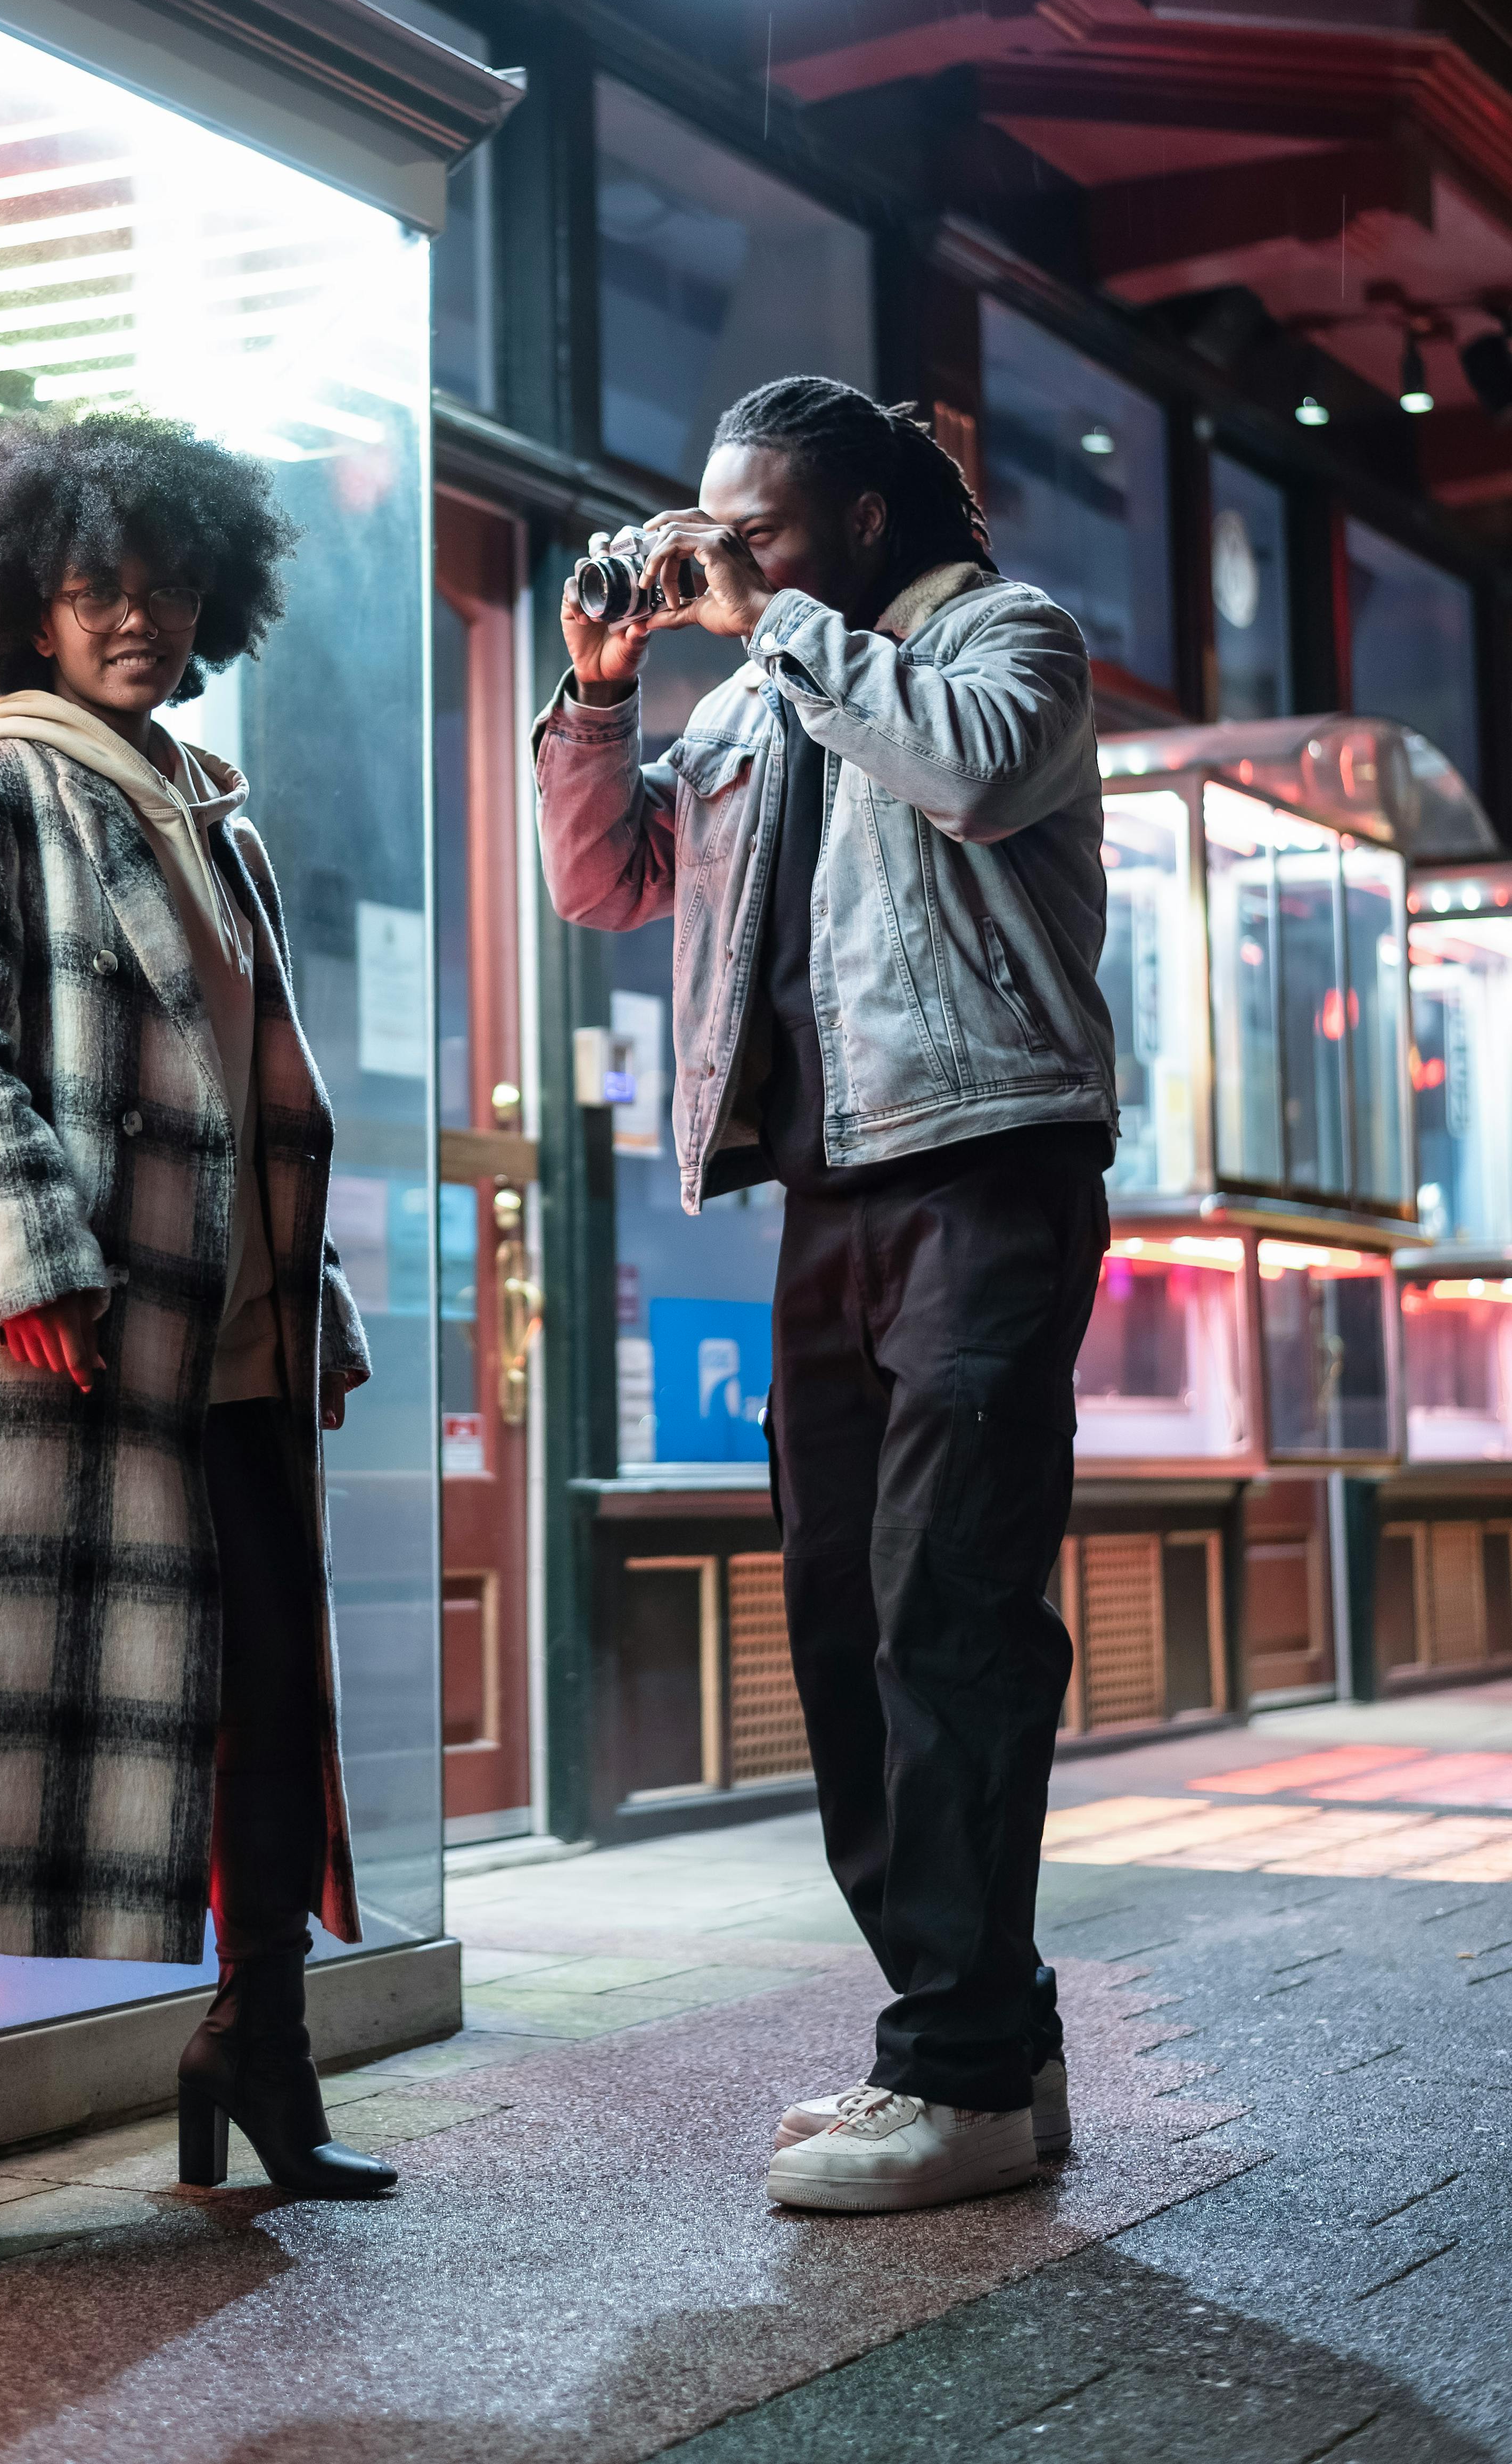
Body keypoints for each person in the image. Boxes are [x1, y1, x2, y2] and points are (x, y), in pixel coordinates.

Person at [0, 409, 395, 2274]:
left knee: (273, 1715)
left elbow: (253, 1093)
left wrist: (320, 1298)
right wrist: (30, 1254)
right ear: (28, 605)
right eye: (93, 586)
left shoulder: (213, 813)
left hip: (216, 1332)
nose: (136, 615)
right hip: (35, 1338)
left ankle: (263, 2053)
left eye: (165, 583)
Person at [535, 377, 1116, 2216]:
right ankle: (989, 2046)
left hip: (989, 1164)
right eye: (713, 527)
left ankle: (950, 2076)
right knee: (851, 1623)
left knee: (953, 1611)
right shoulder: (766, 698)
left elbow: (971, 768)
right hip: (828, 1199)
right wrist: (607, 689)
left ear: (862, 519)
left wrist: (766, 622)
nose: (726, 555)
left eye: (763, 525)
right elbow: (602, 877)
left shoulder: (1003, 638)